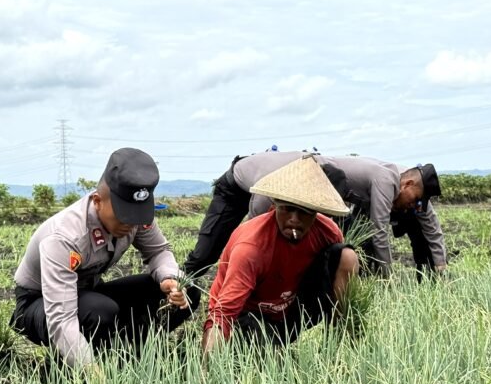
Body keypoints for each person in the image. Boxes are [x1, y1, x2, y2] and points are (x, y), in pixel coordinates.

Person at [11, 147, 189, 369]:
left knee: (185, 293)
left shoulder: (136, 219)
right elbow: (61, 319)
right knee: (99, 311)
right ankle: (62, 371)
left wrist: (170, 279)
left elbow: (158, 252)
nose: (131, 224)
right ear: (97, 201)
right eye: (123, 216)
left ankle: (131, 357)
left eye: (137, 216)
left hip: (87, 292)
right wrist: (93, 373)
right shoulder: (65, 236)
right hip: (39, 304)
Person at [202, 155, 359, 355]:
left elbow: (332, 274)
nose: (294, 220)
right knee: (270, 363)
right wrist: (206, 371)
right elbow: (223, 313)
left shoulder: (327, 231)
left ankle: (338, 345)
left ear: (316, 213)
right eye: (287, 209)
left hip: (289, 311)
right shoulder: (251, 246)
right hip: (250, 315)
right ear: (275, 206)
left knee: (346, 256)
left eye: (304, 212)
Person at [249, 155, 446, 279]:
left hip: (352, 201)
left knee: (361, 243)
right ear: (408, 184)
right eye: (416, 199)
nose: (416, 205)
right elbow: (379, 230)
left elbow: (433, 230)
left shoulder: (417, 196)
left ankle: (364, 277)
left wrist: (440, 265)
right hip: (328, 184)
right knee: (334, 238)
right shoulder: (387, 180)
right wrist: (388, 277)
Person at [184, 150, 345, 278]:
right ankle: (179, 289)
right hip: (233, 190)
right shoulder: (274, 192)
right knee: (205, 254)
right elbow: (253, 236)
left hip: (261, 179)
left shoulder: (317, 175)